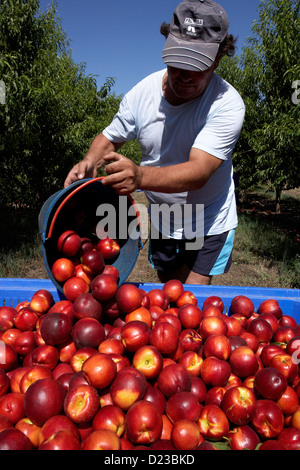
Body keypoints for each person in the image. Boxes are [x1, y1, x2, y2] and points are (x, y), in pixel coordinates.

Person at [64, 0, 245, 286]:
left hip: (210, 220)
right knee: (169, 295)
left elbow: (200, 170)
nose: (185, 75)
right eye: (179, 63)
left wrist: (140, 177)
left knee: (190, 306)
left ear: (218, 59)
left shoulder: (227, 104)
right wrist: (90, 160)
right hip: (164, 218)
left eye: (197, 66)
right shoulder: (142, 94)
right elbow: (110, 138)